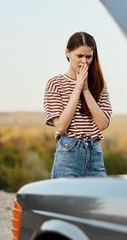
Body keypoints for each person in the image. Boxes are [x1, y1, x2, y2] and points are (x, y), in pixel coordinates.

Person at [44, 31, 112, 178]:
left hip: (95, 151)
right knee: (65, 199)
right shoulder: (55, 83)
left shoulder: (99, 84)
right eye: (79, 56)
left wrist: (86, 90)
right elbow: (61, 126)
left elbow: (103, 124)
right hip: (69, 151)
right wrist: (77, 88)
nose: (84, 61)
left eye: (89, 56)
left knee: (98, 199)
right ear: (67, 53)